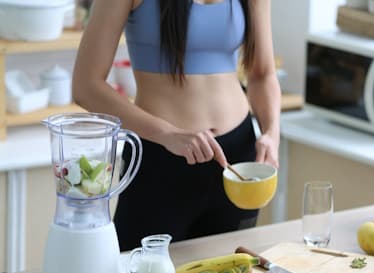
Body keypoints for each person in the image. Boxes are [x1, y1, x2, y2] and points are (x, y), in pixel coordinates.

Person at [72, 0, 281, 251]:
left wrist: (271, 132)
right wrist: (167, 133)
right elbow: (86, 85)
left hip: (236, 161)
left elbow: (262, 74)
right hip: (160, 158)